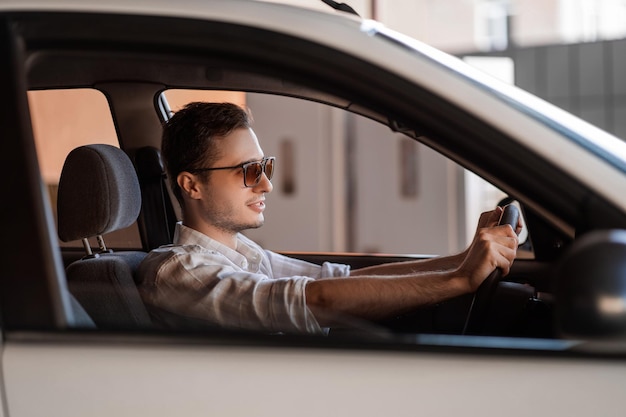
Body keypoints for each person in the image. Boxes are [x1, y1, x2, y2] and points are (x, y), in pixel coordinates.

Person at [138, 102, 519, 334]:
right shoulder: (178, 271)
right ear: (193, 185)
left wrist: (463, 258)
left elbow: (340, 281)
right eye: (249, 170)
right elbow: (314, 298)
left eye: (265, 166)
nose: (267, 185)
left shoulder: (242, 254)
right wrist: (457, 281)